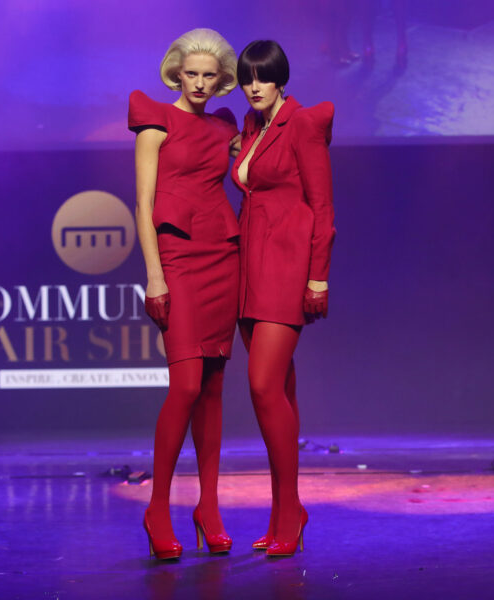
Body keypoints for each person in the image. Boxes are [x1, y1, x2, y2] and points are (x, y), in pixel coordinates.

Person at [129, 28, 240, 560]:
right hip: (176, 259)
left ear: (221, 80)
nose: (198, 83)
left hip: (223, 255)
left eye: (208, 75)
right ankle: (158, 508)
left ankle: (208, 507)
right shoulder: (155, 121)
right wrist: (154, 276)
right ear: (176, 72)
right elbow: (143, 204)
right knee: (187, 384)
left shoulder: (224, 127)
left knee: (213, 388)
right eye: (190, 73)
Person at [231, 40, 335, 557]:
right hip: (249, 268)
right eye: (247, 78)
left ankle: (290, 510)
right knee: (280, 395)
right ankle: (282, 512)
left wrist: (318, 278)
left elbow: (323, 208)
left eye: (263, 77)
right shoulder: (252, 126)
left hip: (287, 269)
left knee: (263, 385)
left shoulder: (303, 125)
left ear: (280, 80)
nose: (254, 87)